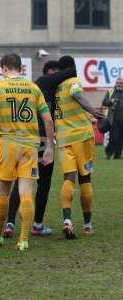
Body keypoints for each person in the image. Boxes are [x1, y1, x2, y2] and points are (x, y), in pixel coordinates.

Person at [0, 54, 54, 251]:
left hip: (7, 143)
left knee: (4, 191)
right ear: (20, 68)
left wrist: (2, 123)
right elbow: (48, 120)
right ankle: (23, 239)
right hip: (30, 145)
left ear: (5, 68)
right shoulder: (34, 88)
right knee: (26, 192)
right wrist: (49, 147)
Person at [4, 60, 77, 237]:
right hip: (42, 140)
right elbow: (72, 71)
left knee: (21, 181)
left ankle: (10, 223)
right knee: (43, 184)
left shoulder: (37, 88)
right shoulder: (44, 81)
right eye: (56, 75)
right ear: (51, 72)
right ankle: (36, 225)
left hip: (28, 140)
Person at [54, 56, 104, 239]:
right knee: (85, 178)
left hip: (63, 138)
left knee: (68, 178)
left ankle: (67, 220)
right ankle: (88, 225)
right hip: (83, 137)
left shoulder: (55, 89)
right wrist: (92, 110)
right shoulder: (72, 81)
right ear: (72, 67)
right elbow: (78, 95)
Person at [102, 77, 123, 159]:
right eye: (118, 83)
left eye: (121, 83)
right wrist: (111, 101)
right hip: (113, 120)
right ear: (115, 83)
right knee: (113, 137)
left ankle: (117, 155)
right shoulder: (110, 92)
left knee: (121, 138)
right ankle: (108, 154)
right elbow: (104, 102)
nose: (119, 84)